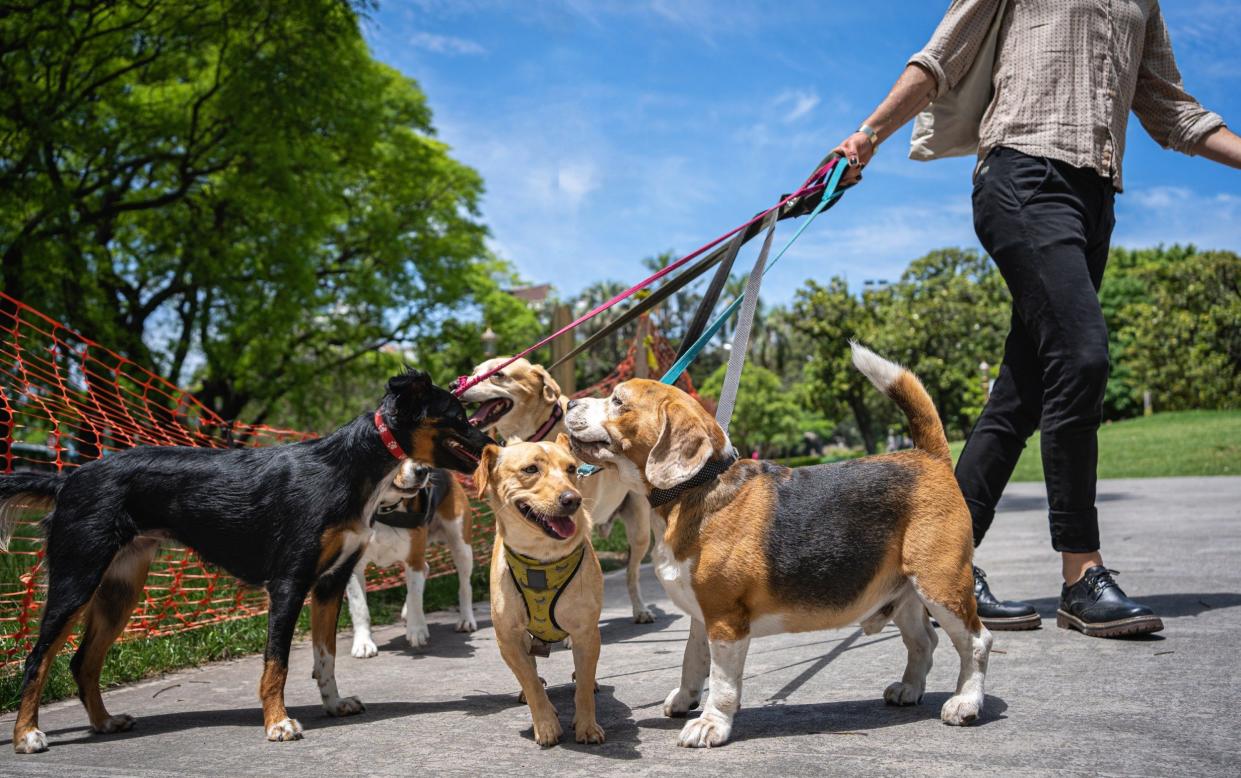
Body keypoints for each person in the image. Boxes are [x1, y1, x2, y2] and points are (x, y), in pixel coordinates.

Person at [833, 1, 1240, 638]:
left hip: (1095, 199)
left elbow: (1169, 108)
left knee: (1025, 393)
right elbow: (942, 56)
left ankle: (939, 569)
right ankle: (1082, 573)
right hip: (1023, 174)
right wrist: (869, 135)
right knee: (1082, 356)